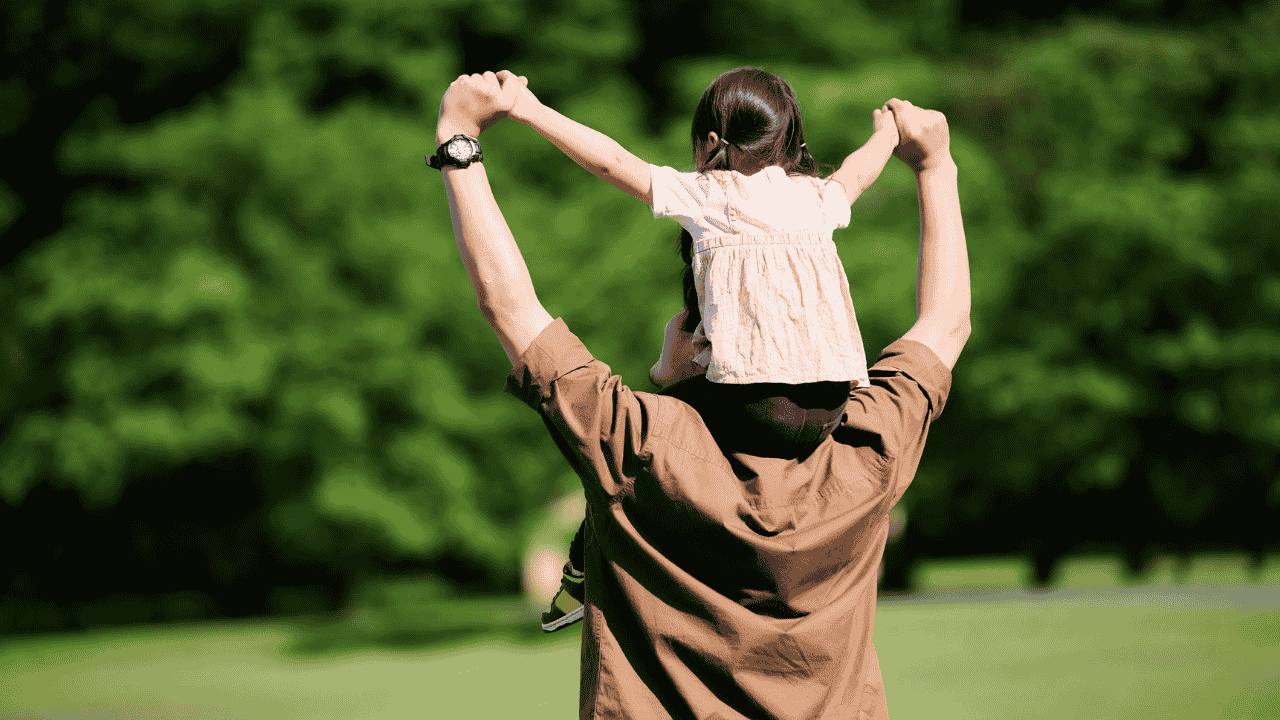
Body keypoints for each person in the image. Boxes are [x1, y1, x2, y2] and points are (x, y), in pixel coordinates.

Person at [433, 69, 970, 720]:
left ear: (706, 333)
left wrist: (459, 139)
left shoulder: (635, 446)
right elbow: (946, 324)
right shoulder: (868, 447)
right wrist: (934, 165)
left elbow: (510, 308)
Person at [501, 66, 902, 631]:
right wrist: (888, 133)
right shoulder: (817, 197)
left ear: (712, 142)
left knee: (635, 446)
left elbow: (610, 161)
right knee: (673, 404)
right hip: (831, 406)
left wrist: (528, 108)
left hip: (757, 404)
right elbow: (860, 169)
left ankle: (582, 570)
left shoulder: (712, 195)